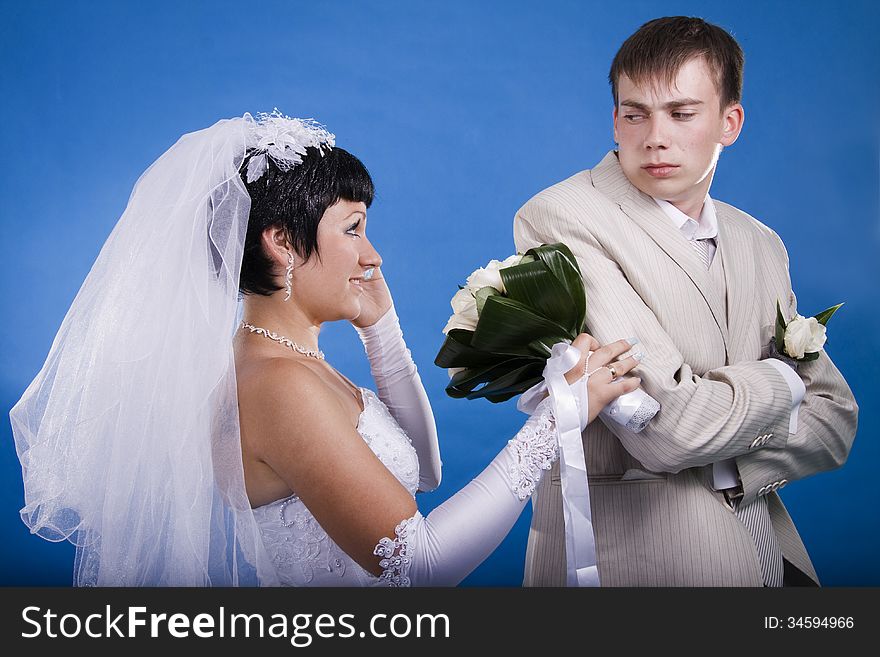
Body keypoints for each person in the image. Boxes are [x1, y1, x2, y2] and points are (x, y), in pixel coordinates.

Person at [10, 110, 641, 586]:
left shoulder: (294, 364)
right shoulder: (276, 385)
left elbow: (423, 475)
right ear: (282, 243)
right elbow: (416, 566)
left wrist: (382, 331)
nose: (373, 254)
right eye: (353, 229)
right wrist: (559, 418)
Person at [514, 16, 858, 586]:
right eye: (634, 113)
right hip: (635, 568)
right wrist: (787, 384)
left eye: (681, 113)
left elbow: (836, 421)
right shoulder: (561, 218)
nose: (654, 137)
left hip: (767, 556)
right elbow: (671, 430)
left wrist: (731, 466)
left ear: (730, 122)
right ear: (615, 119)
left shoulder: (761, 242)